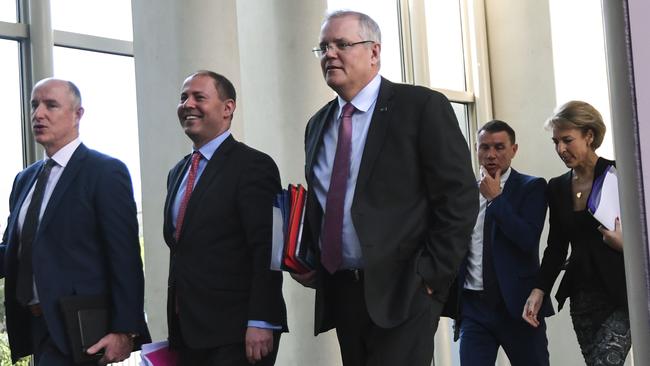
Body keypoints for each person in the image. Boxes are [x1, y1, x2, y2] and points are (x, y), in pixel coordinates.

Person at [291, 11, 478, 366]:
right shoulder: (318, 124)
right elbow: (327, 204)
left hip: (405, 289)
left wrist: (431, 277)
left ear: (374, 52)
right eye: (323, 48)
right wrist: (310, 259)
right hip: (344, 291)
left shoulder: (420, 107)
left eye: (342, 44)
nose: (330, 54)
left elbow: (459, 197)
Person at [0, 78, 150, 365]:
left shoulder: (104, 172)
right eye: (34, 105)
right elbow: (13, 251)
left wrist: (125, 330)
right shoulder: (24, 180)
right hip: (33, 328)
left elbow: (125, 257)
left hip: (80, 329)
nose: (38, 114)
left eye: (50, 105)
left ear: (77, 114)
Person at [164, 70, 287, 366]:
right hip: (189, 332)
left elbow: (267, 248)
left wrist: (261, 319)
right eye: (183, 98)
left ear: (227, 108)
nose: (187, 104)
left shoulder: (253, 166)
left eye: (199, 97)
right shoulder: (177, 173)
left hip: (238, 331)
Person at [523, 101, 630, 365]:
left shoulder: (621, 174)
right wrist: (539, 290)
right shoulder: (557, 187)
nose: (561, 149)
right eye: (556, 142)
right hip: (582, 297)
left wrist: (624, 245)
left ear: (589, 136)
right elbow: (557, 247)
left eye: (567, 140)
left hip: (622, 294)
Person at [448, 120, 553, 365]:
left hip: (518, 307)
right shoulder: (465, 194)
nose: (491, 154)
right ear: (476, 149)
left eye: (499, 147)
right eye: (484, 147)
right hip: (474, 307)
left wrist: (496, 199)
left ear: (513, 150)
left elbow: (527, 240)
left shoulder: (532, 187)